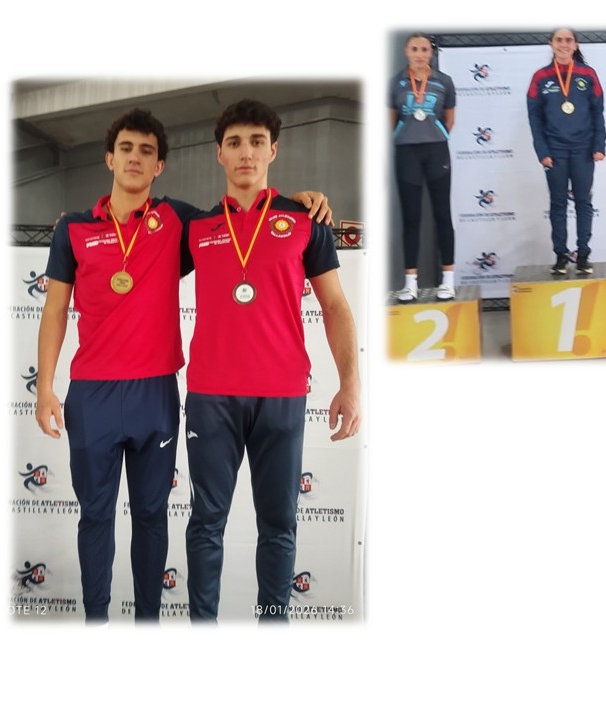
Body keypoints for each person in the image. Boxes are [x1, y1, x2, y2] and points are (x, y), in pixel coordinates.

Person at [34, 108, 333, 625]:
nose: (135, 158)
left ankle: (151, 625)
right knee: (96, 516)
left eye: (146, 151)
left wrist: (305, 200)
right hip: (92, 395)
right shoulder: (74, 230)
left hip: (156, 393)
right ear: (109, 159)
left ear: (160, 166)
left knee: (154, 517)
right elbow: (55, 311)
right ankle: (95, 623)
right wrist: (44, 388)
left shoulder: (181, 222)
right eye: (126, 149)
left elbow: (244, 218)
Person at [182, 99, 361, 623]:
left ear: (273, 151)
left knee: (279, 526)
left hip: (281, 395)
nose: (246, 153)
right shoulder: (195, 227)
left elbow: (335, 306)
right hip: (211, 396)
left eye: (257, 142)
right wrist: (75, 228)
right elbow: (134, 256)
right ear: (219, 154)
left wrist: (350, 384)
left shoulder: (304, 220)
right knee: (206, 524)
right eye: (235, 143)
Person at [527, 27, 606, 275]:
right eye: (559, 40)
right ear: (551, 43)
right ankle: (561, 255)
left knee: (583, 202)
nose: (564, 44)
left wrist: (599, 145)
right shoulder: (540, 77)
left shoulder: (588, 74)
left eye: (568, 40)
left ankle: (583, 255)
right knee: (558, 203)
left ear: (576, 45)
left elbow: (598, 112)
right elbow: (534, 118)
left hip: (584, 149)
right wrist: (542, 151)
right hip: (555, 150)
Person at [390, 32, 457, 302]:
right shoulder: (396, 82)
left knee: (442, 215)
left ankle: (448, 280)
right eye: (415, 49)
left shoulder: (444, 81)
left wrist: (435, 133)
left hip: (437, 151)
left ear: (431, 53)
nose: (420, 54)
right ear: (406, 51)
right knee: (411, 218)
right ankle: (410, 283)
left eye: (425, 50)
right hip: (407, 153)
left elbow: (449, 120)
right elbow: (391, 120)